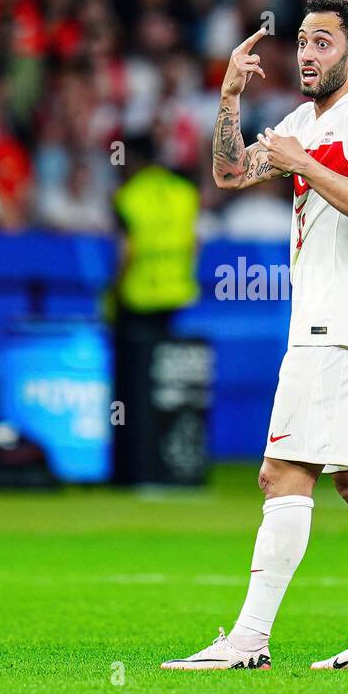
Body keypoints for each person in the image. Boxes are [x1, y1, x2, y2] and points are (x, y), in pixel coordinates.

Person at [163, 0, 348, 671]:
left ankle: (248, 642)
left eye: (323, 42)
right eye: (302, 41)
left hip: (339, 327)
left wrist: (306, 165)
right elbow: (230, 172)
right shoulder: (302, 119)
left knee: (280, 474)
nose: (306, 53)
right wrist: (229, 98)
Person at [109, 133, 201, 485]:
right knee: (164, 386)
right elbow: (194, 243)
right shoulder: (183, 193)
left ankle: (133, 466)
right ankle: (162, 464)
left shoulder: (129, 198)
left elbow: (126, 252)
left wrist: (114, 291)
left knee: (133, 390)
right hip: (175, 298)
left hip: (137, 300)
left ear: (131, 160)